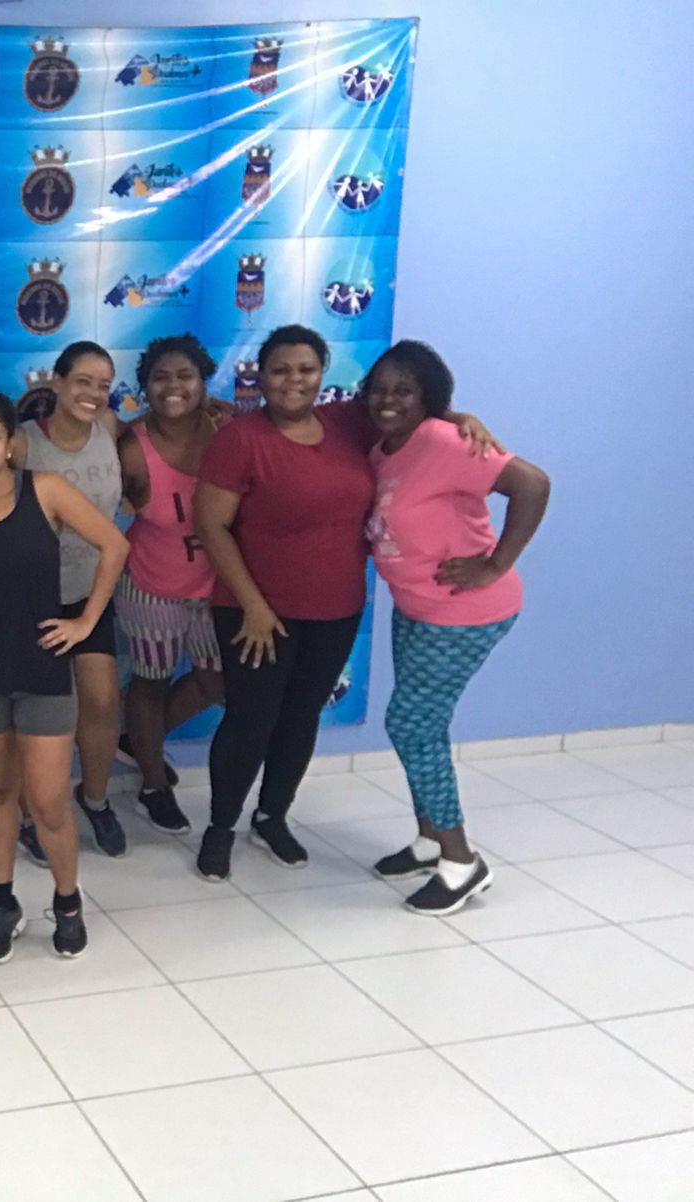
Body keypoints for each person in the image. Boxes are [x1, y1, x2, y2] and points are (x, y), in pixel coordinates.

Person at [193, 325, 497, 883]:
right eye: (280, 370)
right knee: (250, 720)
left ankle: (272, 817)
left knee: (300, 716)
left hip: (335, 610)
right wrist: (254, 606)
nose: (293, 380)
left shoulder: (346, 422)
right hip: (254, 613)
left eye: (306, 369)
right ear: (261, 375)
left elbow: (410, 414)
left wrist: (462, 419)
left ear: (322, 375)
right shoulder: (240, 439)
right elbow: (211, 526)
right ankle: (220, 828)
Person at [0, 391, 128, 963]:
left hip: (41, 669)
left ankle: (67, 902)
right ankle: (2, 905)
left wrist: (85, 621)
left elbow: (114, 544)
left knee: (46, 802)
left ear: (11, 442)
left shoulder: (46, 490)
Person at [362, 341, 549, 914]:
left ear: (429, 398)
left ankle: (462, 862)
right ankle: (429, 840)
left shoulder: (444, 441)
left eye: (405, 390)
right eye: (380, 388)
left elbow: (533, 484)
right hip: (416, 607)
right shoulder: (384, 448)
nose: (389, 399)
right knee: (426, 725)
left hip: (466, 613)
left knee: (410, 723)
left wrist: (494, 564)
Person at [11, 342, 129, 862]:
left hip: (91, 593)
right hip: (33, 599)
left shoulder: (112, 429)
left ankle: (95, 798)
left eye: (103, 385)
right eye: (82, 381)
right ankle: (29, 816)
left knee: (101, 701)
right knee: (34, 715)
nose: (94, 394)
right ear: (56, 383)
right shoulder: (23, 442)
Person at [114, 334, 228, 834]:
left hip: (215, 587)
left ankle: (138, 741)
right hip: (150, 586)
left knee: (217, 682)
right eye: (160, 377)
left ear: (204, 382)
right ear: (145, 388)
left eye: (185, 376)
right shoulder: (132, 447)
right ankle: (154, 786)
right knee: (150, 681)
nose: (173, 386)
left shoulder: (228, 431)